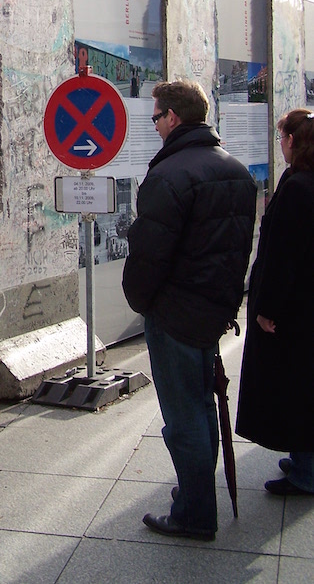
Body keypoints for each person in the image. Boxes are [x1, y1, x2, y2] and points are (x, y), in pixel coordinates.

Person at [122, 80, 257, 541]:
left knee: (184, 419)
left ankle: (195, 513)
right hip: (211, 311)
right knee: (201, 408)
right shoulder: (236, 171)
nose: (155, 124)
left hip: (175, 314)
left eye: (155, 117)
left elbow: (149, 256)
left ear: (173, 118)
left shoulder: (170, 175)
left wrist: (142, 303)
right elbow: (238, 248)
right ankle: (195, 496)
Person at [236, 108, 314, 496]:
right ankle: (303, 457)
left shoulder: (299, 188)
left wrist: (267, 308)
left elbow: (284, 255)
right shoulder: (301, 180)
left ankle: (307, 470)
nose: (280, 143)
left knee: (298, 386)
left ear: (295, 142)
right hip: (305, 306)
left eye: (283, 136)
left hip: (296, 310)